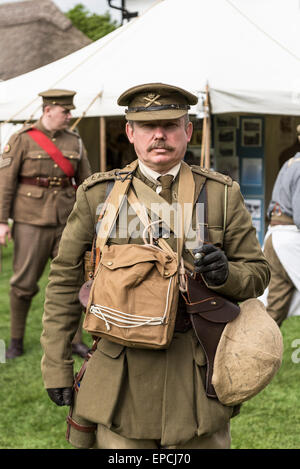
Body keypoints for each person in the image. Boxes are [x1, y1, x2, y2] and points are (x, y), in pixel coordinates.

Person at [40, 83, 270, 449]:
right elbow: (64, 283)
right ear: (130, 132)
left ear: (188, 131)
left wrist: (227, 275)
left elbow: (257, 273)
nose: (159, 135)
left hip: (196, 373)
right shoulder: (98, 196)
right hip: (121, 375)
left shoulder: (221, 195)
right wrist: (56, 366)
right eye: (147, 127)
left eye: (170, 124)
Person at [0, 89, 92, 359]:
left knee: (73, 282)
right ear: (48, 110)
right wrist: (1, 222)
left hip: (67, 223)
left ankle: (75, 340)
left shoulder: (74, 141)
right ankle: (16, 340)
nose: (70, 115)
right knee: (23, 284)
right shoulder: (21, 140)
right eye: (65, 111)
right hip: (31, 222)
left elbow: (87, 182)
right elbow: (5, 184)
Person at [262, 129, 300, 326]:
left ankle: (255, 352)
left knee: (274, 309)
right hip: (290, 237)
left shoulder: (290, 163)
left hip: (274, 236)